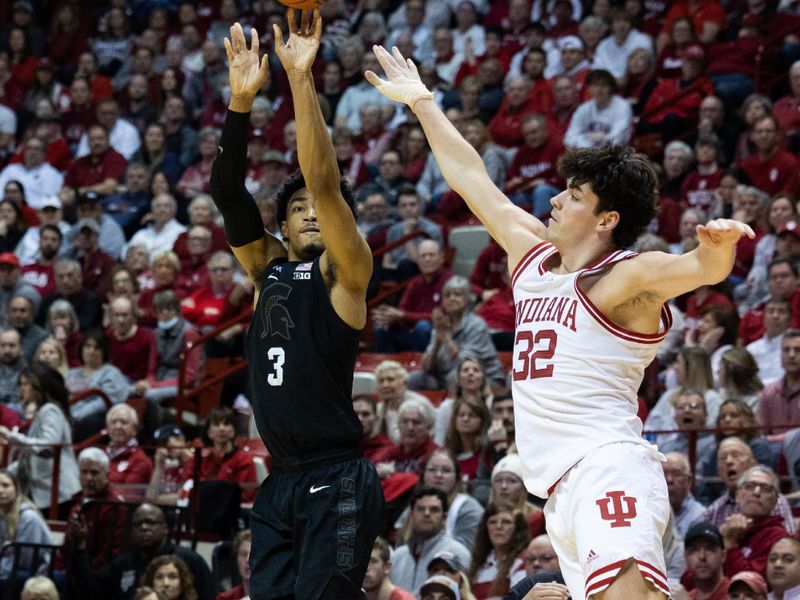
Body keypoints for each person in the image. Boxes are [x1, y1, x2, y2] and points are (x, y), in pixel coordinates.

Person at [366, 44, 754, 600]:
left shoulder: (626, 276)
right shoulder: (532, 257)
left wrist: (718, 244)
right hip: (559, 489)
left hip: (608, 467)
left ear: (606, 219)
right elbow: (472, 180)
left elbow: (699, 268)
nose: (553, 201)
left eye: (572, 197)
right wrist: (423, 102)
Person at [210, 14, 384, 598]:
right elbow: (228, 194)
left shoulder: (346, 270)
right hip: (279, 483)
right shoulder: (266, 268)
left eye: (320, 206)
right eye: (297, 207)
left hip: (336, 476)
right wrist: (240, 102)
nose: (312, 210)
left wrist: (300, 79)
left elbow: (325, 182)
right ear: (282, 225)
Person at [67, 502, 213, 600]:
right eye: (138, 524)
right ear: (131, 532)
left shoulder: (189, 560)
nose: (144, 528)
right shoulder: (123, 563)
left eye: (150, 522)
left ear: (164, 529)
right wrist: (80, 547)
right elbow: (90, 590)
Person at [0, 362, 80, 516]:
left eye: (26, 384)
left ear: (38, 386)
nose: (22, 389)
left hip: (59, 491)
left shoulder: (50, 410)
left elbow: (49, 445)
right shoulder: (42, 411)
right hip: (47, 491)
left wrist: (12, 437)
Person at [391, 487, 472, 596]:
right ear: (411, 515)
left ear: (444, 517)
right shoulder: (397, 556)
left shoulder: (458, 553)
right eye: (420, 509)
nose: (427, 514)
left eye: (434, 510)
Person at [721, 465, 789, 578]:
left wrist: (731, 544)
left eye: (765, 488)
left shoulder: (777, 536)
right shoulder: (725, 529)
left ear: (775, 501)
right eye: (749, 486)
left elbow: (749, 585)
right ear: (737, 495)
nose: (756, 492)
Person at [468, 501, 530, 599]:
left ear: (518, 528)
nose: (498, 526)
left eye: (506, 522)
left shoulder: (524, 560)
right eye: (492, 522)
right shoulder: (478, 563)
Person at [0, 469, 52, 580]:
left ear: (16, 489)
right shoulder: (3, 515)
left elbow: (27, 561)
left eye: (5, 485)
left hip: (36, 573)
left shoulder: (28, 517)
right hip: (11, 568)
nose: (0, 490)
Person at [670, 522, 728, 600]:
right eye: (694, 550)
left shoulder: (736, 594)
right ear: (686, 557)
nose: (702, 556)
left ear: (723, 556)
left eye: (709, 549)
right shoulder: (686, 596)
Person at [662, 452, 706, 539]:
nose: (669, 480)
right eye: (664, 474)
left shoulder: (700, 515)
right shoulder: (649, 511)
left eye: (676, 474)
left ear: (689, 481)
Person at [215, 530, 252, 600]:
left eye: (253, 555)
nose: (248, 560)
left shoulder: (276, 596)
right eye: (244, 554)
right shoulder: (224, 598)